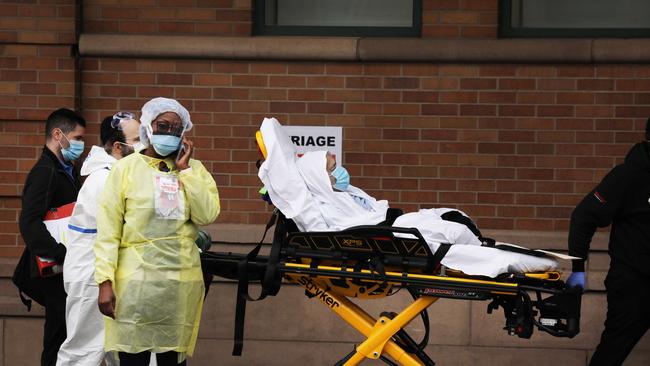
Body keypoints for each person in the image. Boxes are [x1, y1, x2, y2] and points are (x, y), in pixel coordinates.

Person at [94, 98, 220, 366]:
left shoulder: (193, 170)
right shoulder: (125, 170)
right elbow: (108, 231)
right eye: (163, 125)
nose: (170, 133)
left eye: (177, 128)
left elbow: (207, 214)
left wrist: (185, 171)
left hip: (178, 285)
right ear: (148, 127)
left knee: (172, 359)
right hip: (135, 284)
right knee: (133, 357)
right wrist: (104, 281)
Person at [56, 112, 142, 366]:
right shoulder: (105, 180)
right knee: (82, 354)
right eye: (137, 139)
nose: (145, 146)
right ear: (118, 147)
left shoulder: (118, 176)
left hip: (106, 277)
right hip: (92, 280)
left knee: (121, 353)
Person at [566, 119, 650, 366]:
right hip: (634, 284)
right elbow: (583, 217)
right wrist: (578, 269)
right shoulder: (628, 176)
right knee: (612, 353)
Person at [16, 108, 86, 366]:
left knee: (64, 336)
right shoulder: (45, 170)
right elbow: (29, 222)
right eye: (77, 138)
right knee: (58, 340)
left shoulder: (64, 169)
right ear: (58, 135)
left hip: (65, 270)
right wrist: (62, 254)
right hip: (56, 270)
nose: (81, 144)